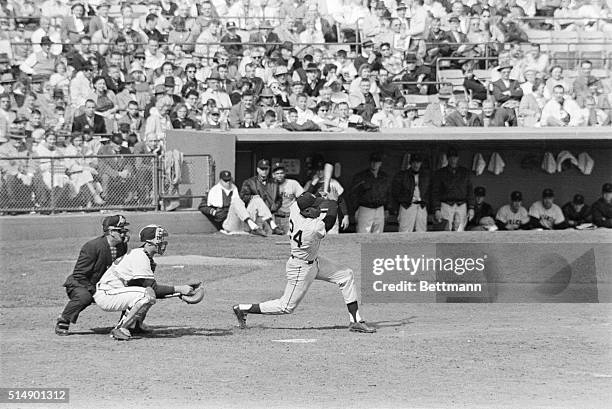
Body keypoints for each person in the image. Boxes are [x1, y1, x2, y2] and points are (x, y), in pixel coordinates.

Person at [232, 192, 376, 333]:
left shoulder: (295, 208)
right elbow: (329, 221)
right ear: (307, 211)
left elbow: (302, 199)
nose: (319, 209)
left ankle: (355, 321)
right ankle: (243, 308)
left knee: (346, 275)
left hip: (314, 262)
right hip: (300, 268)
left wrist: (321, 196)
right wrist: (333, 203)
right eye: (315, 207)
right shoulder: (311, 228)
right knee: (286, 307)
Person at [93, 224, 196, 340]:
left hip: (115, 292)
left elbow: (148, 288)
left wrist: (178, 294)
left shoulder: (145, 256)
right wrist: (180, 289)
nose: (162, 242)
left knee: (146, 294)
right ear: (148, 242)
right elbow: (153, 289)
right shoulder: (139, 256)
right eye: (159, 239)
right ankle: (120, 328)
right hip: (107, 294)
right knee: (146, 295)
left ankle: (135, 326)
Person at [55, 215, 130, 336]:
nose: (124, 234)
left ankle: (129, 323)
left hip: (104, 283)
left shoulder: (121, 246)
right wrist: (94, 289)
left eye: (124, 230)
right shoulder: (92, 246)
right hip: (82, 283)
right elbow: (79, 275)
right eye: (120, 230)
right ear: (111, 232)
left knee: (133, 291)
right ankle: (64, 319)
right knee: (84, 297)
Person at [198, 170, 268, 236]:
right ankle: (253, 226)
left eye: (229, 180)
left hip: (241, 221)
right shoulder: (214, 191)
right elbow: (202, 206)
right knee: (236, 201)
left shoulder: (235, 189)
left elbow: (242, 206)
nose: (228, 182)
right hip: (228, 223)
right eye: (225, 180)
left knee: (256, 198)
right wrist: (214, 212)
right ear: (220, 180)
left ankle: (264, 226)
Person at [431, 147, 474, 231]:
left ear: (458, 158)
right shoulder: (440, 173)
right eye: (451, 157)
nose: (453, 160)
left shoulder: (465, 172)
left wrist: (471, 207)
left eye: (455, 157)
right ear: (448, 158)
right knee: (446, 229)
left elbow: (470, 191)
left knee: (460, 229)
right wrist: (437, 209)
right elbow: (435, 192)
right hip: (446, 204)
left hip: (461, 204)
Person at [349, 152, 391, 234]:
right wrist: (356, 209)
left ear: (380, 163)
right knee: (363, 233)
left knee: (378, 233)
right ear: (370, 162)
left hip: (380, 208)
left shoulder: (384, 176)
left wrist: (387, 208)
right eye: (373, 161)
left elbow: (388, 193)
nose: (374, 164)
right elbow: (353, 193)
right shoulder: (361, 176)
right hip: (365, 208)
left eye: (377, 162)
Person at [303, 161, 350, 234]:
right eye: (318, 170)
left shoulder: (333, 183)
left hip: (331, 213)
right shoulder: (310, 183)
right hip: (315, 216)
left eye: (322, 170)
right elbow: (304, 200)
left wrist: (345, 216)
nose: (320, 172)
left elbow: (340, 200)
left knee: (332, 239)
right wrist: (312, 185)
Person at [239, 159, 284, 235]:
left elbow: (279, 198)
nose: (264, 171)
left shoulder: (274, 183)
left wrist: (275, 206)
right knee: (257, 199)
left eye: (266, 169)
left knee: (269, 239)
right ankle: (272, 226)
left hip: (269, 215)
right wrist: (253, 198)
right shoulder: (249, 182)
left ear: (269, 169)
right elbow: (243, 198)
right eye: (262, 169)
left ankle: (272, 226)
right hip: (254, 215)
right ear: (257, 169)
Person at [391, 153, 431, 233]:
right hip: (407, 206)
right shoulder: (402, 175)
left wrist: (426, 202)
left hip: (421, 206)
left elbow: (429, 191)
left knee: (421, 232)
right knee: (404, 232)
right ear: (411, 163)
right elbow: (395, 192)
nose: (416, 164)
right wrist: (404, 201)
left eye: (418, 162)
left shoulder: (425, 176)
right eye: (414, 162)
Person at [271, 162, 304, 234]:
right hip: (275, 218)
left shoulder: (293, 183)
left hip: (290, 217)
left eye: (281, 173)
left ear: (285, 174)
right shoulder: (270, 186)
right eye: (277, 173)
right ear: (273, 175)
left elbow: (303, 197)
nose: (279, 175)